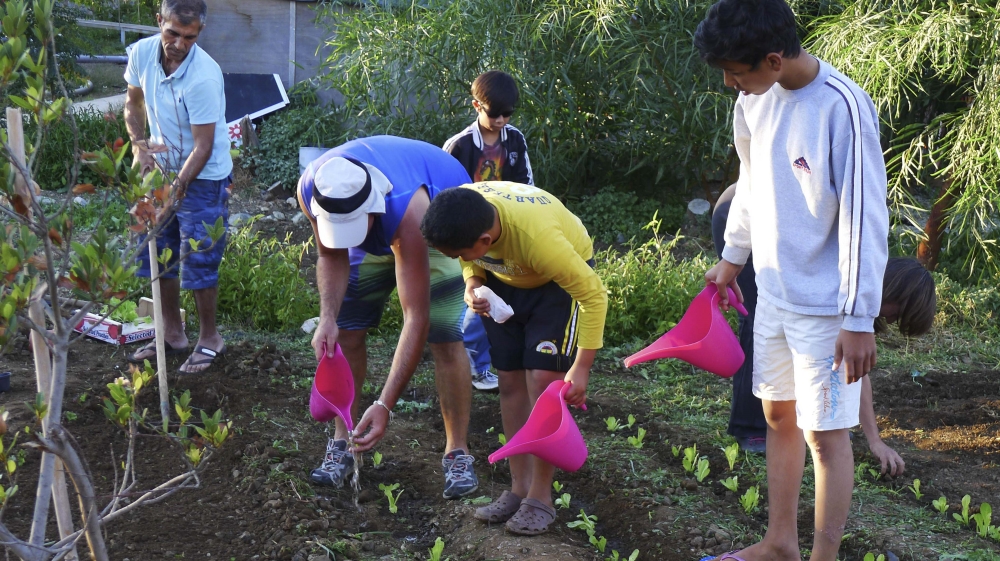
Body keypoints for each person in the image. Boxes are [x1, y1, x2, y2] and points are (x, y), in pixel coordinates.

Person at [695, 0, 891, 559]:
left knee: (825, 435)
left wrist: (859, 319)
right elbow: (751, 181)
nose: (731, 82)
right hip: (774, 293)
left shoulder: (842, 107)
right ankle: (779, 543)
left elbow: (864, 219)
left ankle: (821, 557)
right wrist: (733, 256)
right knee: (778, 414)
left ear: (774, 60)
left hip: (828, 308)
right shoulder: (752, 101)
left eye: (736, 71)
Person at [297, 135, 479, 500]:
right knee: (344, 332)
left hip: (437, 226)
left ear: (371, 208)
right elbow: (331, 256)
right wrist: (327, 317)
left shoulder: (410, 209)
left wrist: (384, 405)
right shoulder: (313, 188)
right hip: (383, 227)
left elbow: (417, 317)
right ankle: (342, 442)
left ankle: (457, 452)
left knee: (444, 335)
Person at [420, 182, 607, 536]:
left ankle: (541, 496)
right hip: (502, 280)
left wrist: (581, 367)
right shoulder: (459, 210)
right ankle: (519, 487)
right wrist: (473, 280)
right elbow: (465, 258)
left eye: (462, 252)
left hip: (555, 286)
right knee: (508, 380)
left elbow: (594, 296)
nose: (458, 257)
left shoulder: (540, 241)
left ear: (486, 242)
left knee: (542, 382)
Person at [713, 185, 934, 476]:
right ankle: (750, 427)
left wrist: (874, 440)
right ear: (894, 292)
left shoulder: (864, 285)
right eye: (896, 315)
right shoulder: (843, 277)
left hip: (785, 222)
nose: (889, 321)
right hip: (747, 210)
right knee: (758, 320)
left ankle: (807, 420)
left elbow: (856, 368)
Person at [124, 0, 233, 375]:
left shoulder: (205, 75)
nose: (180, 44)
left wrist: (175, 191)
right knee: (156, 252)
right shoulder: (140, 54)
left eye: (190, 37)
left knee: (198, 255)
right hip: (160, 171)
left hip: (203, 177)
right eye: (172, 33)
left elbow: (203, 146)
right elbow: (132, 105)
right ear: (159, 22)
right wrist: (140, 148)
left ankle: (209, 339)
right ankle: (171, 333)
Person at [444, 70, 534, 393]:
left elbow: (527, 187)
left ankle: (477, 364)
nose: (500, 120)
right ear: (476, 106)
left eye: (507, 114)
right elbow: (445, 196)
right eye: (494, 113)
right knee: (474, 297)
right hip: (465, 234)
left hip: (503, 230)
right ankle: (471, 365)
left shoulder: (516, 140)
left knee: (489, 297)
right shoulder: (459, 145)